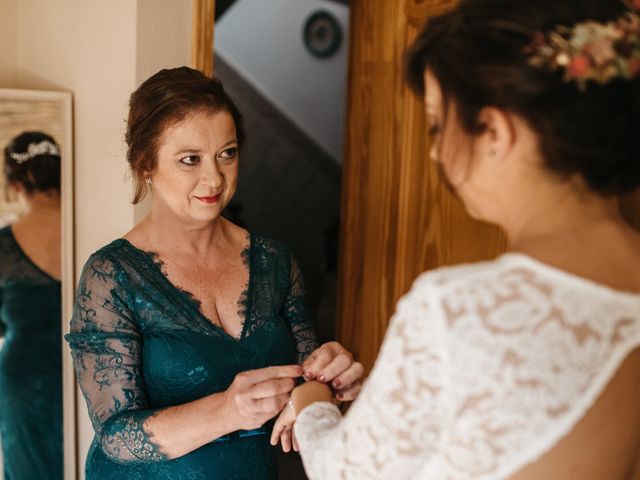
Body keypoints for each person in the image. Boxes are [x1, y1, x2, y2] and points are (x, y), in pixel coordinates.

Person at [272, 1, 640, 478]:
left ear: (493, 131)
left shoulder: (459, 311)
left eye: (437, 124)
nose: (433, 150)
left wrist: (311, 401)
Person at [65, 66, 363, 480]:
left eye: (228, 153)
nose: (215, 177)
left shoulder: (275, 260)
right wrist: (226, 410)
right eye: (191, 159)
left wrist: (329, 382)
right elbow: (115, 435)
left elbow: (304, 382)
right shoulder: (110, 276)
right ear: (145, 164)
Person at [0, 131, 63, 479]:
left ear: (16, 182)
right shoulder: (97, 232)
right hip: (94, 375)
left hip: (22, 381)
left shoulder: (3, 246)